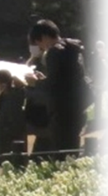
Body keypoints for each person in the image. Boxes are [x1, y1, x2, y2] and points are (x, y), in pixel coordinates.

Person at [30, 19, 96, 160]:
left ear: (44, 37)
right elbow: (65, 78)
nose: (41, 48)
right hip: (77, 107)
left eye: (39, 43)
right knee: (72, 152)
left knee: (60, 154)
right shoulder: (72, 48)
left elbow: (55, 86)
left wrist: (36, 82)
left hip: (62, 110)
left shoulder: (54, 52)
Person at [0, 70, 32, 168]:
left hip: (12, 140)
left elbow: (25, 91)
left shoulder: (16, 97)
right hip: (0, 140)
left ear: (3, 85)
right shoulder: (1, 99)